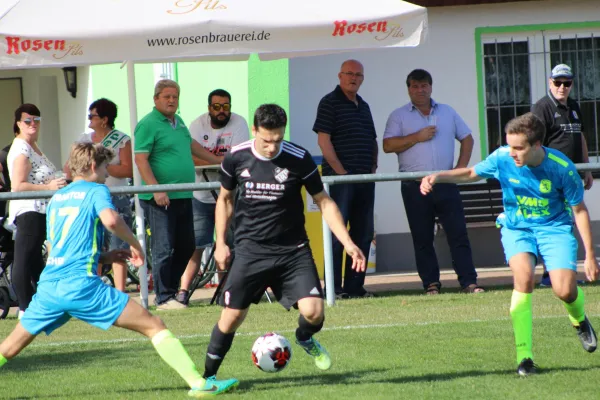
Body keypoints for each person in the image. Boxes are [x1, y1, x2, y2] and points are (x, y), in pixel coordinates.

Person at [0, 142, 238, 397]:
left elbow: (61, 244)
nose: (108, 173)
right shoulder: (96, 190)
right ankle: (199, 384)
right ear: (93, 166)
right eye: (105, 167)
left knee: (10, 348)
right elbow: (111, 220)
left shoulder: (58, 196)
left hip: (50, 287)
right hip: (81, 286)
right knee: (154, 325)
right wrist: (136, 245)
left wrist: (106, 255)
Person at [420, 112, 598, 376]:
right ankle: (524, 357)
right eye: (509, 145)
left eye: (518, 147)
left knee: (564, 291)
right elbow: (471, 173)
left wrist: (590, 256)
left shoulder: (562, 168)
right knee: (524, 278)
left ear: (537, 145)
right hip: (517, 228)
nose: (511, 152)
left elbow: (580, 211)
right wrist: (437, 176)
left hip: (554, 229)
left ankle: (579, 318)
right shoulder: (502, 157)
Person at [202, 104, 366, 384]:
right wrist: (220, 243)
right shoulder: (236, 157)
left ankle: (304, 337)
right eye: (266, 140)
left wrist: (348, 242)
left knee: (314, 313)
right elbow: (225, 200)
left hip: (293, 252)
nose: (271, 147)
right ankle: (207, 379)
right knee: (231, 318)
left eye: (277, 140)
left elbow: (323, 201)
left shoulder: (299, 158)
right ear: (254, 130)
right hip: (250, 250)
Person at [383, 69, 483, 295]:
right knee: (422, 237)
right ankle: (431, 284)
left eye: (424, 85)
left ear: (431, 87)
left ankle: (469, 282)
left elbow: (467, 138)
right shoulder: (399, 116)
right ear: (408, 89)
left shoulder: (447, 112)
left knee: (458, 234)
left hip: (445, 182)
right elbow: (388, 145)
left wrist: (460, 169)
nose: (420, 90)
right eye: (415, 86)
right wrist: (416, 137)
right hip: (414, 184)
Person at [134, 79, 221, 310]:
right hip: (160, 197)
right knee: (164, 247)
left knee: (187, 245)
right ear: (156, 99)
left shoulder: (178, 122)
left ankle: (170, 292)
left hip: (183, 194)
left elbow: (192, 146)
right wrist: (156, 189)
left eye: (175, 96)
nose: (172, 100)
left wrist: (219, 161)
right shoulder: (148, 124)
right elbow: (140, 159)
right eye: (167, 96)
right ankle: (163, 298)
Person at [176, 89, 249, 305]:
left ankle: (225, 290)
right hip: (201, 196)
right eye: (217, 106)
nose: (221, 111)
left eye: (225, 106)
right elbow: (190, 158)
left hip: (229, 195)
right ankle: (182, 292)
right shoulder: (197, 125)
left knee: (228, 243)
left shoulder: (239, 123)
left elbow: (236, 158)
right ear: (209, 108)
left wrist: (210, 161)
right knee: (196, 245)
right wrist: (220, 161)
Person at [313, 59, 377, 299]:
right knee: (338, 234)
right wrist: (340, 172)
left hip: (364, 179)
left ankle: (354, 287)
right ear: (340, 76)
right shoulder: (329, 102)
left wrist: (372, 168)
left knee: (363, 232)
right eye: (349, 74)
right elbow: (323, 140)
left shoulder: (364, 105)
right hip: (340, 181)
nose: (353, 78)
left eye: (358, 75)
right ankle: (334, 288)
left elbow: (372, 140)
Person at [532, 63, 593, 288]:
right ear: (550, 82)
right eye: (558, 82)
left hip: (572, 176)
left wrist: (585, 168)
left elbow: (581, 138)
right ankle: (550, 275)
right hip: (550, 178)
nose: (562, 87)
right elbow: (536, 144)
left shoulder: (575, 106)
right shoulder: (542, 108)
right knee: (553, 225)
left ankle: (564, 273)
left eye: (567, 83)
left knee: (568, 224)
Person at [65, 98, 133, 292]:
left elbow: (128, 169)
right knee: (94, 244)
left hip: (116, 196)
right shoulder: (83, 140)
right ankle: (93, 288)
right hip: (88, 196)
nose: (89, 120)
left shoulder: (121, 139)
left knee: (119, 244)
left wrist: (101, 168)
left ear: (104, 119)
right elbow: (70, 166)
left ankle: (120, 291)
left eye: (92, 116)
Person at [7, 103, 66, 316]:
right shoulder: (21, 148)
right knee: (23, 259)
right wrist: (49, 187)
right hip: (29, 210)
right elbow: (18, 185)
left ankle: (45, 304)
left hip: (42, 211)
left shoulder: (33, 146)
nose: (33, 124)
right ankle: (24, 307)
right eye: (27, 120)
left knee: (34, 261)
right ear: (18, 124)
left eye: (36, 120)